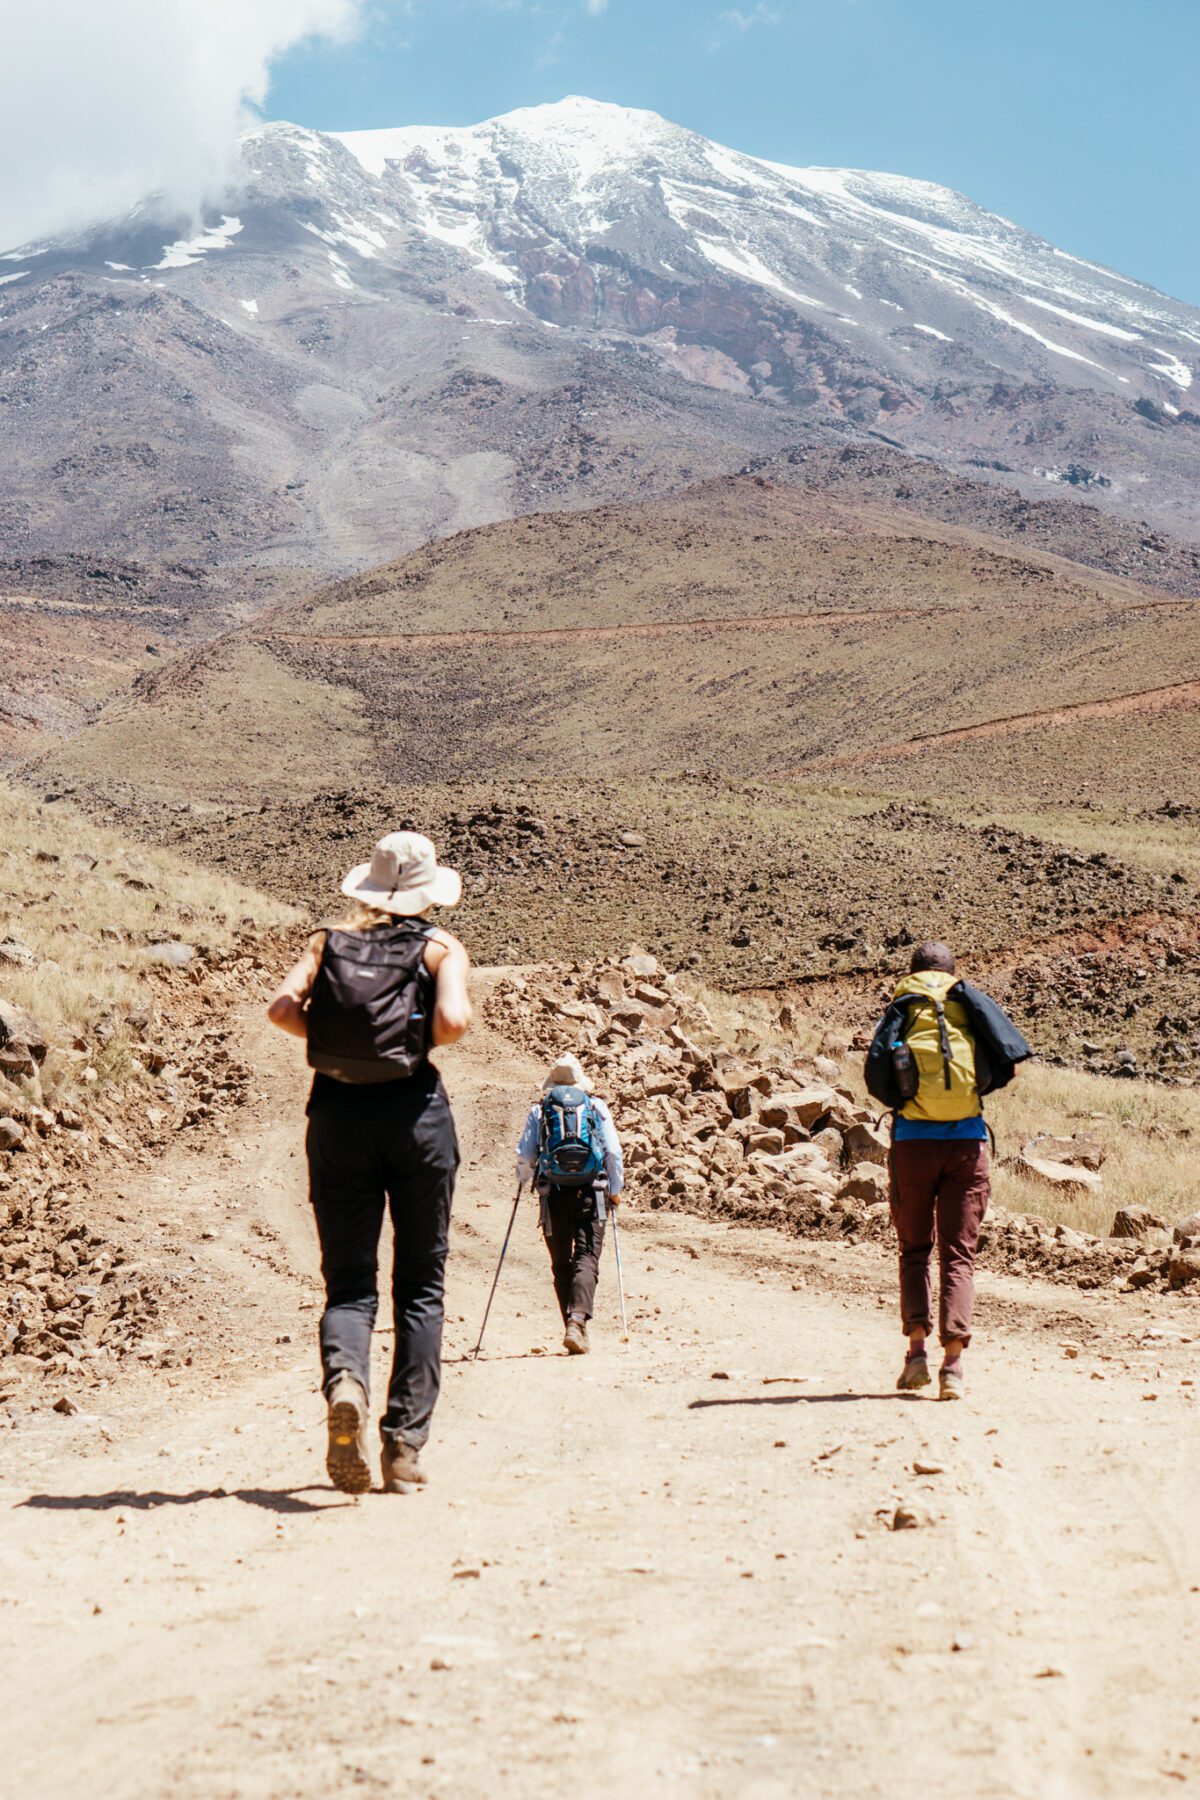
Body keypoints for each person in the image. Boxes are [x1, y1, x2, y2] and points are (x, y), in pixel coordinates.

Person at [267, 831, 471, 1494]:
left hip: (336, 1117)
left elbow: (279, 1009)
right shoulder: (440, 948)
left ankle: (346, 1383)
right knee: (421, 1286)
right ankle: (404, 1447)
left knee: (350, 1284)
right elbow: (454, 1024)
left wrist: (327, 1038)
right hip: (416, 1118)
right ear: (426, 890)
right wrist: (407, 1042)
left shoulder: (325, 942)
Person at [865, 941, 1031, 1401]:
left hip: (913, 1144)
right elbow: (1012, 1062)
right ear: (951, 971)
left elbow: (875, 1075)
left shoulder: (903, 1006)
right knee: (959, 1254)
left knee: (915, 1249)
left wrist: (907, 1105)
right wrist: (975, 1093)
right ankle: (953, 1367)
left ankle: (916, 1354)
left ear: (914, 972)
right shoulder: (966, 1002)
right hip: (967, 1145)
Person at [515, 1053, 624, 1355]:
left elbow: (525, 1155)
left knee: (561, 1263)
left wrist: (522, 1181)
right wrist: (615, 1190)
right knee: (587, 1257)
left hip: (554, 1195)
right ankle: (577, 1322)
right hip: (593, 1190)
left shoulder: (540, 1110)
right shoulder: (596, 1106)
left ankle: (573, 1325)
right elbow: (613, 1152)